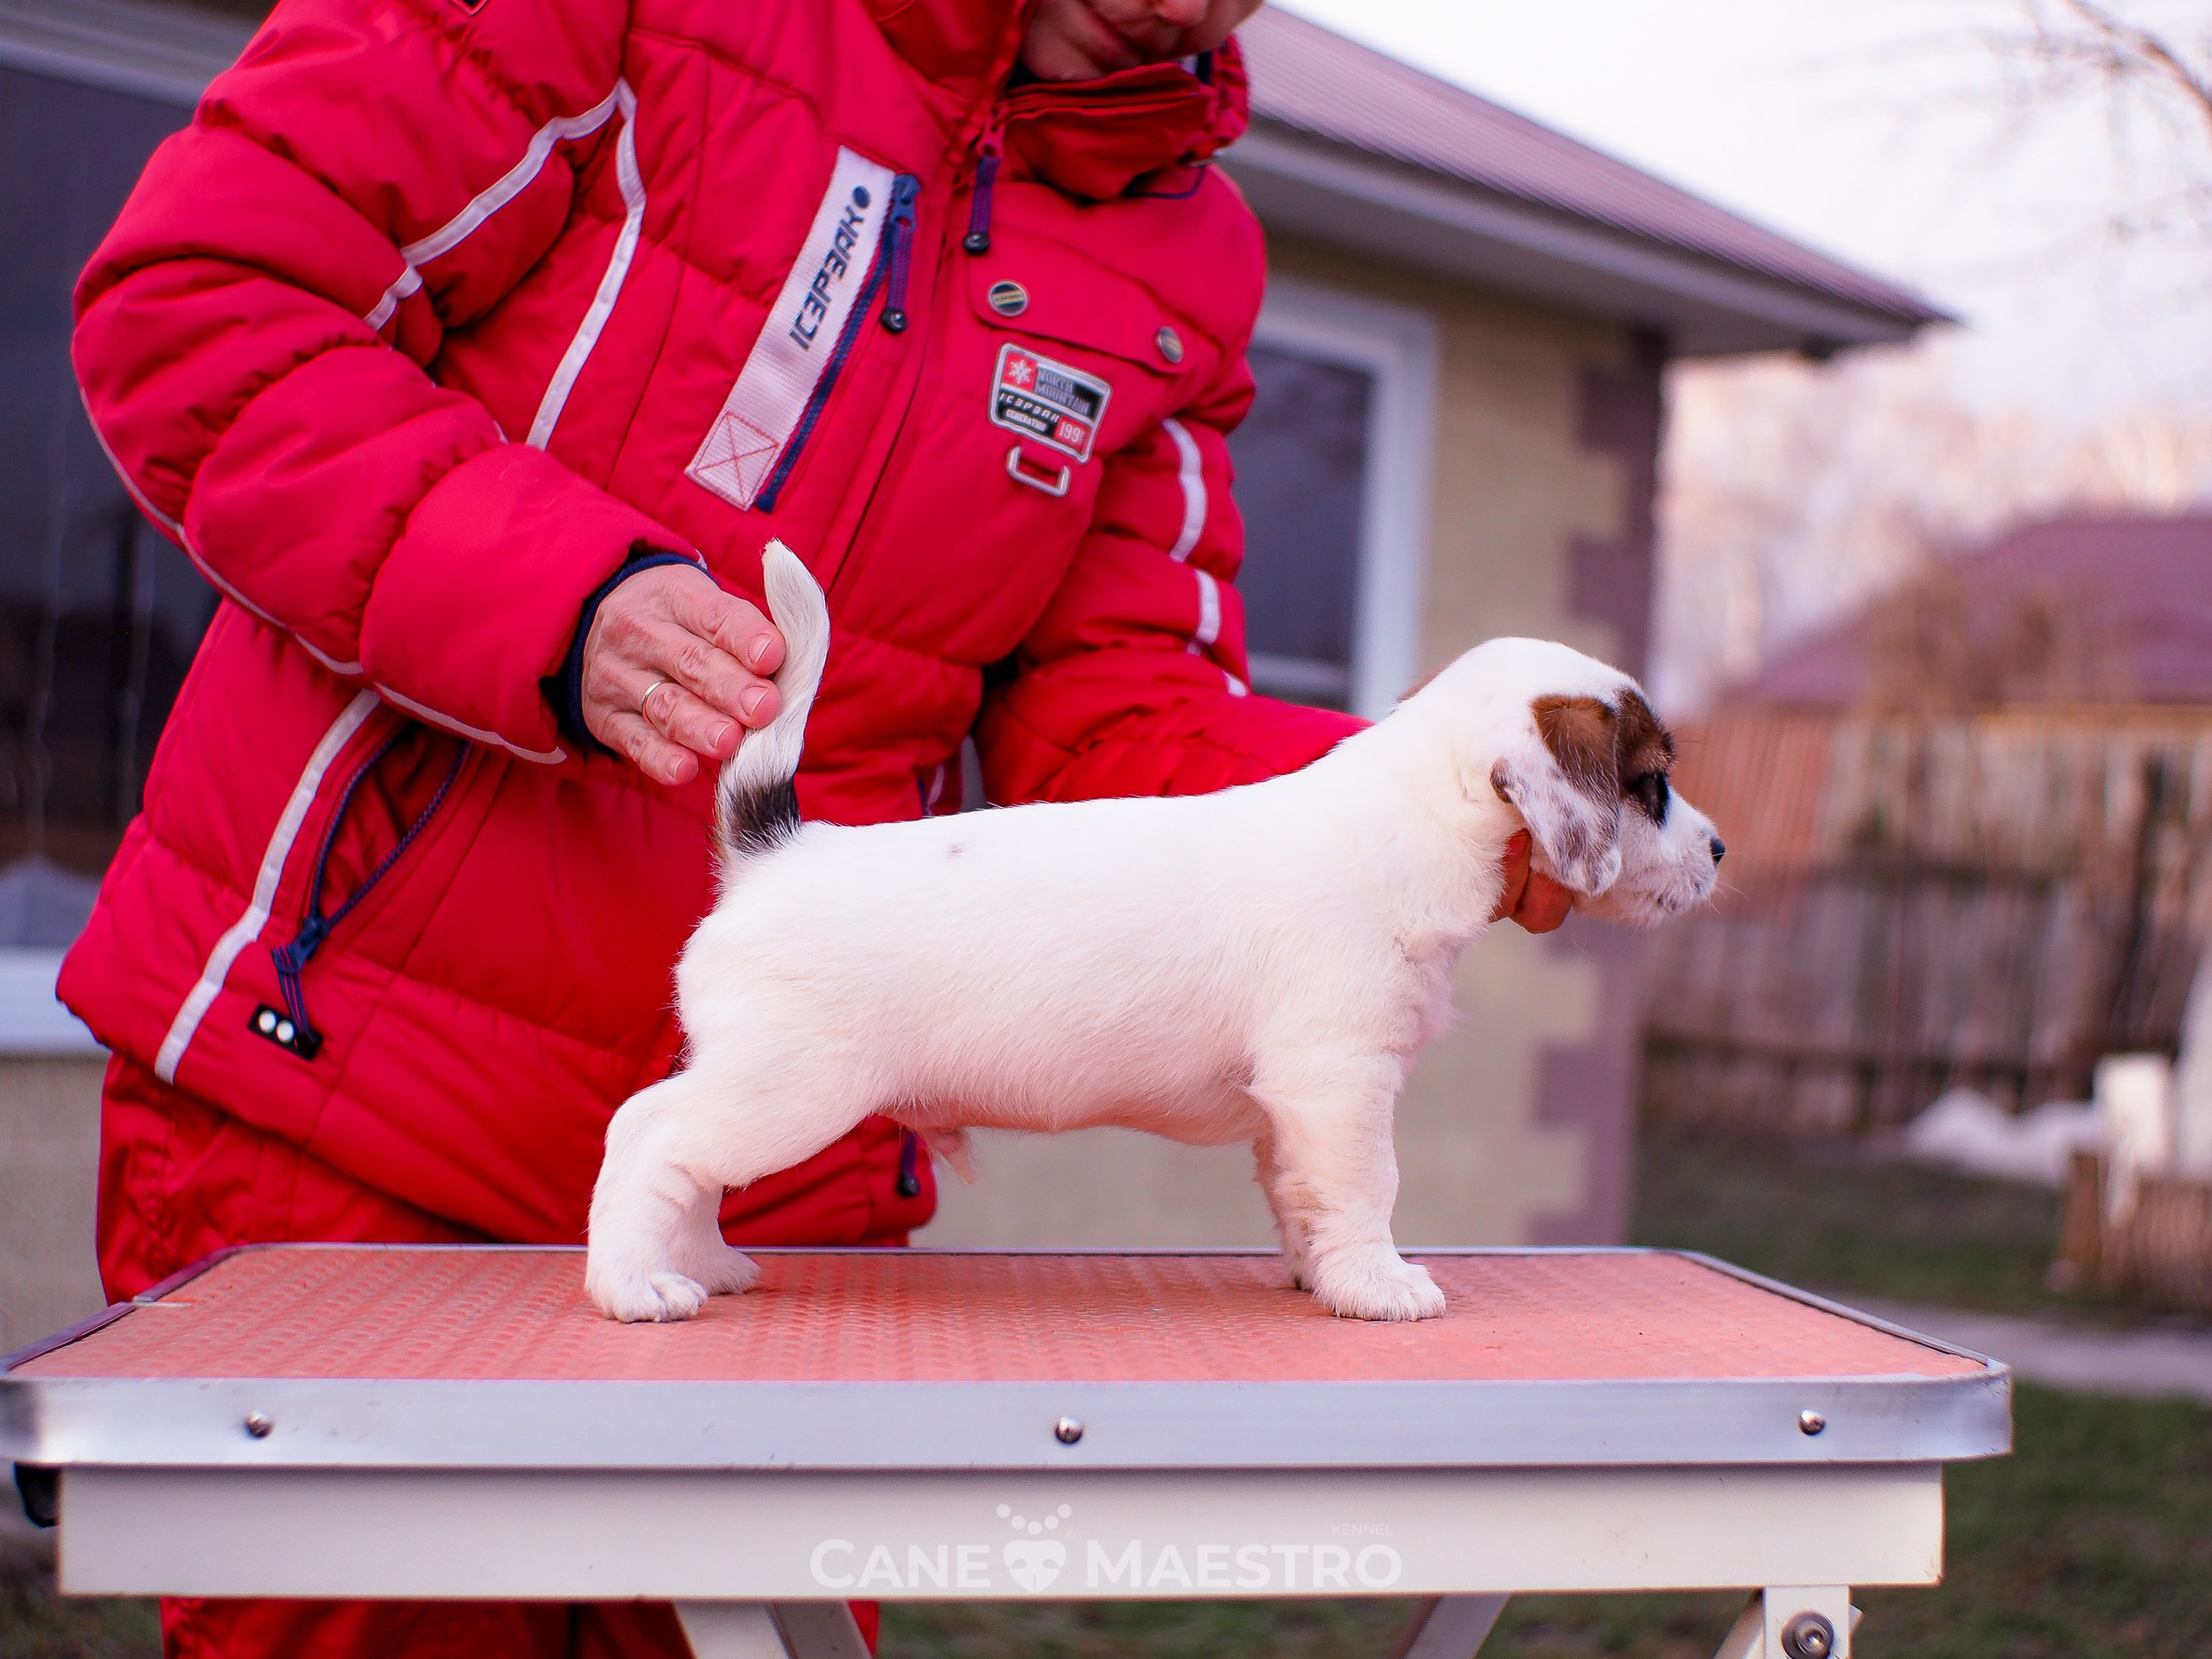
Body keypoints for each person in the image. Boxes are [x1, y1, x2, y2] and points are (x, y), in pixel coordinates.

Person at [62, 0, 1572, 1651]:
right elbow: (202, 300)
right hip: (348, 1113)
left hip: (784, 1208)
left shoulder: (1187, 250)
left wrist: (1427, 806)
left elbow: (1120, 711)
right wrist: (541, 591)